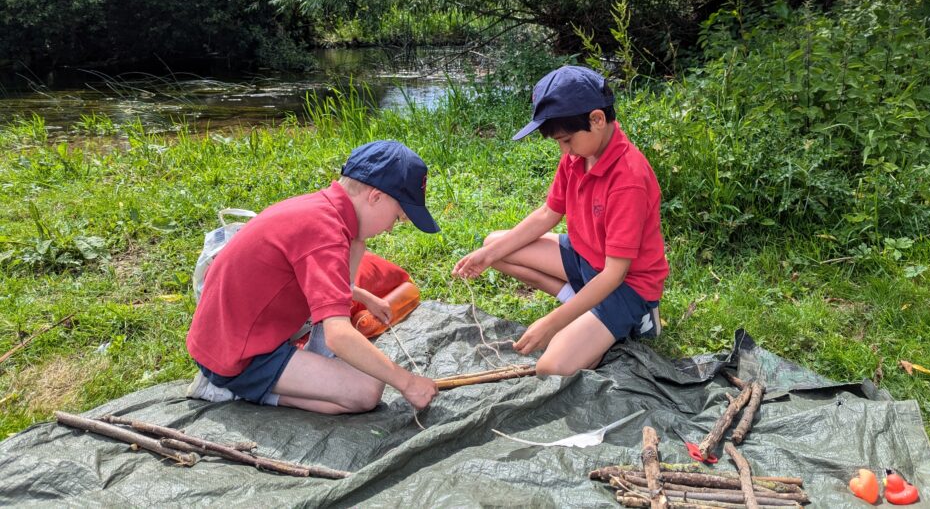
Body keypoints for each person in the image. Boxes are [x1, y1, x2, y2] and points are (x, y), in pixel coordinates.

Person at [185, 140, 440, 414]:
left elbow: (320, 280)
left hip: (233, 335)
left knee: (358, 245)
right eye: (398, 217)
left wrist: (364, 296)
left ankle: (289, 373)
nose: (391, 228)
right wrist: (408, 382)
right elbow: (338, 336)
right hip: (236, 356)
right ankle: (230, 390)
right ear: (375, 197)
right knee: (365, 392)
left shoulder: (324, 212)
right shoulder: (325, 235)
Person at [453, 66, 668, 376]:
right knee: (495, 245)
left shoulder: (628, 178)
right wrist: (486, 256)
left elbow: (615, 275)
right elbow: (547, 214)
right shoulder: (578, 156)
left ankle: (638, 317)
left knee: (551, 367)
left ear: (596, 120)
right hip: (585, 259)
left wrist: (554, 322)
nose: (564, 151)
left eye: (566, 140)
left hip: (625, 285)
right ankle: (582, 307)